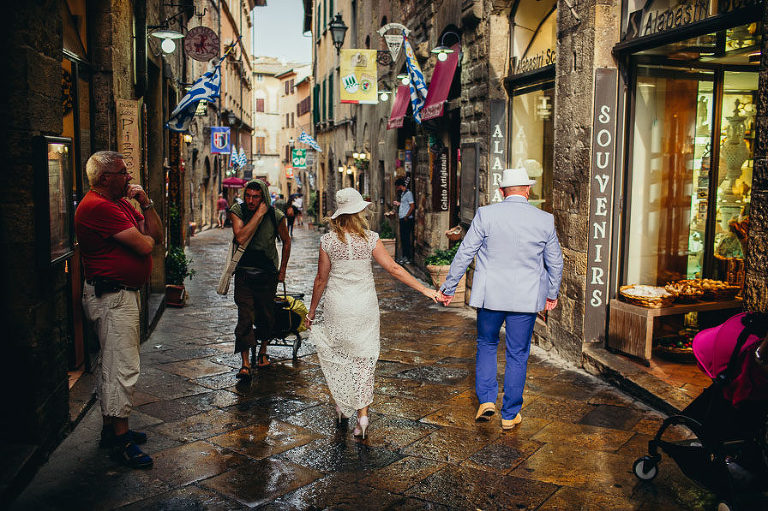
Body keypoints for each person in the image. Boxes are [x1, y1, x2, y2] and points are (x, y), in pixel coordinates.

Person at [305, 188, 439, 438]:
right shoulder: (370, 238)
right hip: (364, 306)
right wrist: (425, 289)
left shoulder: (328, 241)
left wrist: (311, 313)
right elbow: (394, 269)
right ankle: (363, 416)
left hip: (337, 305)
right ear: (358, 212)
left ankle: (342, 405)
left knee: (340, 354)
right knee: (364, 359)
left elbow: (320, 280)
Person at [437, 167, 563, 430]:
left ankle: (486, 400)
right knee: (518, 353)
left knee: (486, 344)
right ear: (528, 190)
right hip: (526, 299)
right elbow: (555, 262)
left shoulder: (486, 215)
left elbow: (465, 253)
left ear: (501, 191)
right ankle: (509, 414)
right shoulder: (544, 220)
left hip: (490, 297)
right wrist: (552, 294)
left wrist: (449, 287)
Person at [75, 151, 163, 468]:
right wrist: (145, 236)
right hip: (112, 297)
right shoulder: (98, 207)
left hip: (121, 295)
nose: (129, 177)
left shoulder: (120, 203)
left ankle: (110, 429)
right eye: (123, 172)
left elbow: (157, 235)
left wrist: (146, 203)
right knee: (121, 367)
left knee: (112, 364)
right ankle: (121, 441)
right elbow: (145, 244)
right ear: (104, 178)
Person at [229, 179, 291, 379]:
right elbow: (241, 237)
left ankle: (263, 352)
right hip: (244, 272)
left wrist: (282, 270)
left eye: (256, 197)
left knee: (266, 316)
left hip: (267, 273)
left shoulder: (275, 215)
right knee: (245, 317)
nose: (251, 200)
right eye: (248, 196)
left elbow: (286, 242)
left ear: (263, 197)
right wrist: (258, 214)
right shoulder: (237, 211)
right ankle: (245, 363)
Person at [393, 177, 414, 264]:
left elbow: (412, 206)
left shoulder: (408, 193)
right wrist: (399, 204)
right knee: (403, 238)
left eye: (397, 187)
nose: (397, 188)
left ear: (400, 186)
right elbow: (405, 205)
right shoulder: (403, 194)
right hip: (402, 218)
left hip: (406, 219)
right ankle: (404, 256)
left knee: (406, 239)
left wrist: (407, 216)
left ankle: (407, 257)